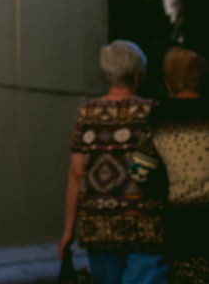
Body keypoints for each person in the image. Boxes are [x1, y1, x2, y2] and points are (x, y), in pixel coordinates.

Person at [59, 39, 166, 284]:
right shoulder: (153, 111)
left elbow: (76, 172)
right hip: (145, 224)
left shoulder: (86, 113)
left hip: (98, 224)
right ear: (138, 75)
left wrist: (68, 231)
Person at [131, 48, 209, 284]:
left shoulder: (159, 117)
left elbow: (139, 172)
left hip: (180, 222)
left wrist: (163, 189)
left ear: (168, 80)